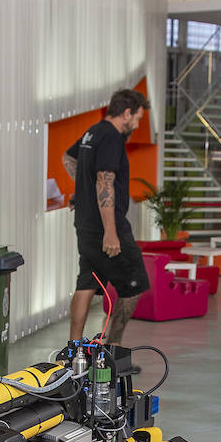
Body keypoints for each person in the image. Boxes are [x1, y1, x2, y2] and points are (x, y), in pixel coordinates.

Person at [62, 89, 152, 344]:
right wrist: (111, 232)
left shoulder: (93, 132)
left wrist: (82, 190)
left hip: (85, 224)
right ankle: (113, 348)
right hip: (106, 227)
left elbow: (68, 158)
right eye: (137, 117)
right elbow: (105, 181)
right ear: (126, 113)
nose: (137, 123)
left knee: (87, 282)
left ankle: (73, 350)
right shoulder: (112, 138)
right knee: (134, 286)